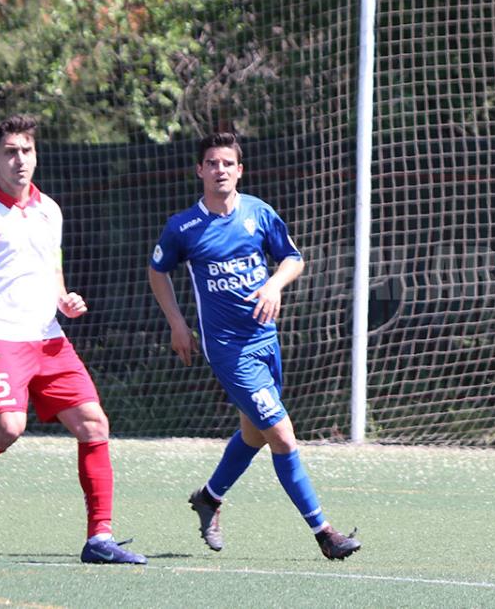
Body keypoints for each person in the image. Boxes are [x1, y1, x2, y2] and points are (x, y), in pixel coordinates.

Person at [147, 132, 360, 560]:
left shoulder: (258, 213)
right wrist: (177, 324)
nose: (220, 169)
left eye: (228, 163)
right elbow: (158, 271)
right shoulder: (183, 227)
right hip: (227, 348)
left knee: (254, 433)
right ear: (200, 170)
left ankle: (209, 496)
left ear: (239, 170)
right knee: (281, 434)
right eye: (212, 162)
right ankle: (325, 533)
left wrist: (274, 285)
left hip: (265, 340)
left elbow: (293, 258)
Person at [0, 114, 146, 564]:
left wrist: (64, 300)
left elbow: (52, 272)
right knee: (7, 428)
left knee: (94, 424)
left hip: (49, 339)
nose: (19, 159)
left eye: (26, 150)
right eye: (9, 151)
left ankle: (99, 539)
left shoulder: (51, 210)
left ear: (36, 156)